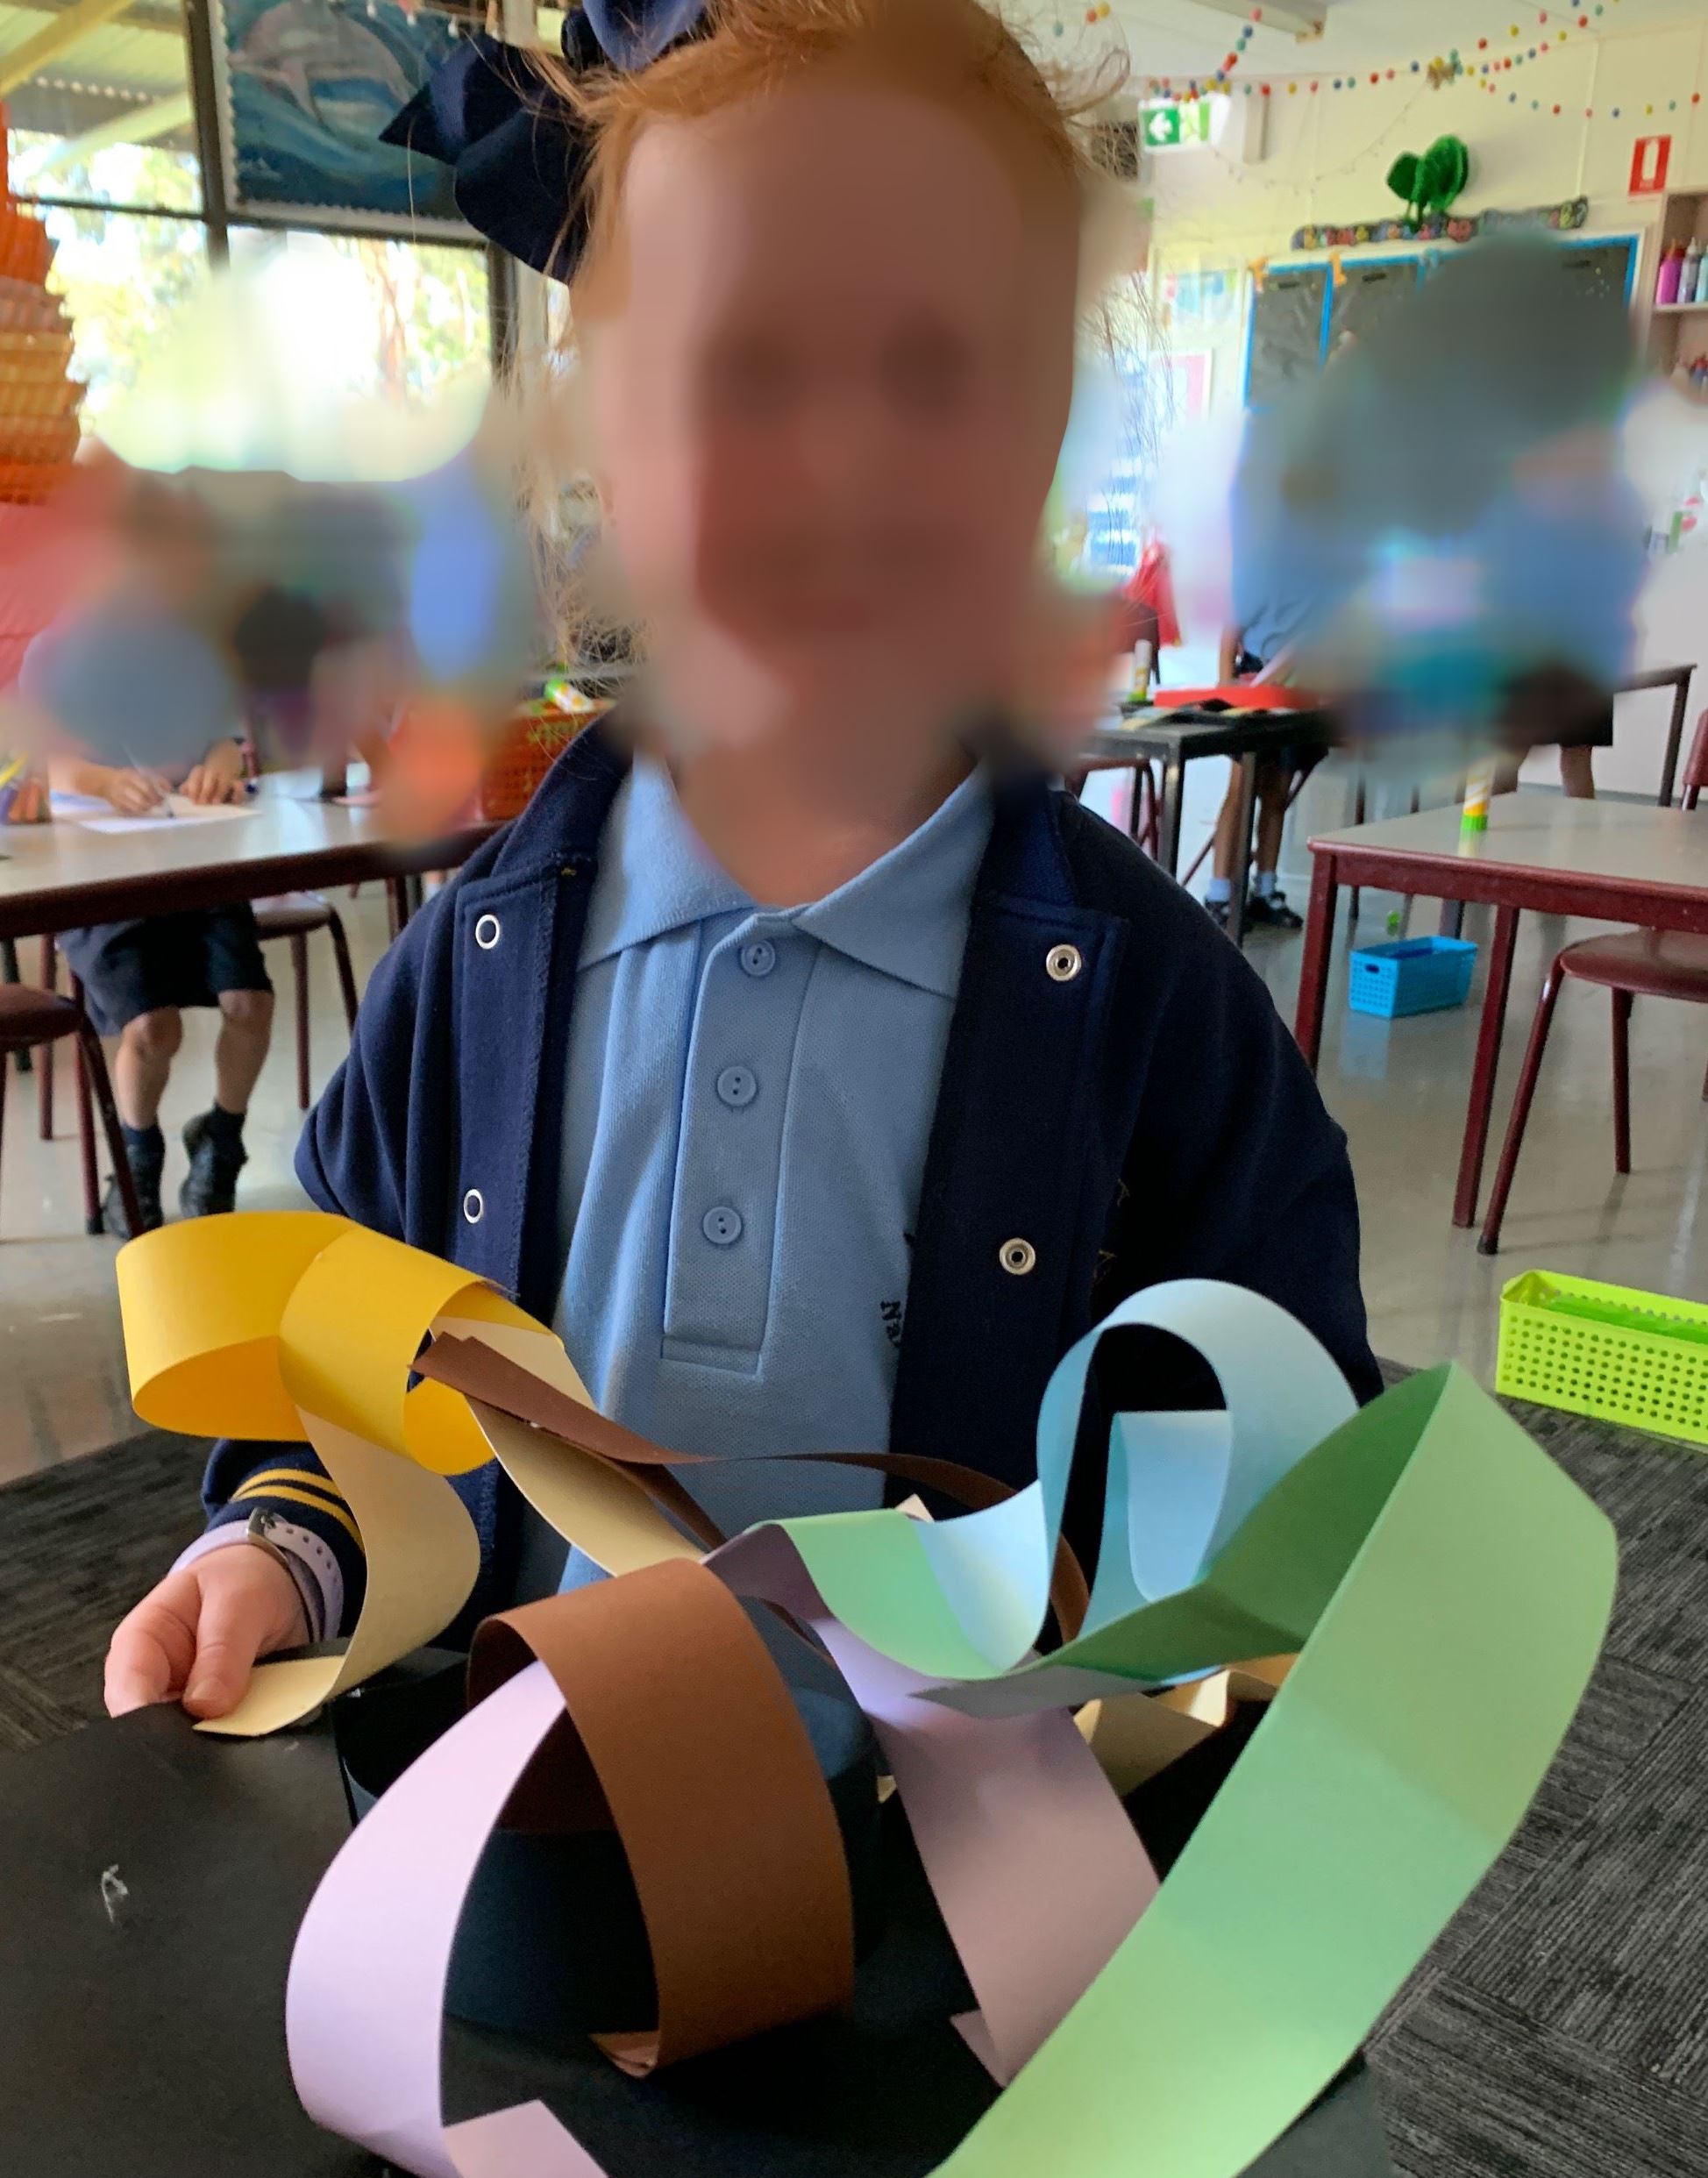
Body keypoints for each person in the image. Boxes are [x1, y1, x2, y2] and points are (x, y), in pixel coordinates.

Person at [103, 0, 1378, 1722]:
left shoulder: (1152, 1007)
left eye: (935, 370)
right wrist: (280, 1553)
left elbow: (1279, 1449)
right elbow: (334, 1368)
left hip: (957, 1845)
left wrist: (1241, 1647)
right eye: (746, 371)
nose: (842, 464)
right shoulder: (475, 964)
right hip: (526, 1796)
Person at [24, 479, 274, 1236]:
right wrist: (104, 781)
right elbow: (40, 766)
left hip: (195, 862)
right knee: (153, 1028)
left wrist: (220, 767)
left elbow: (225, 740)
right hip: (100, 873)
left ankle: (221, 1140)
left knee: (250, 1003)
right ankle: (136, 1160)